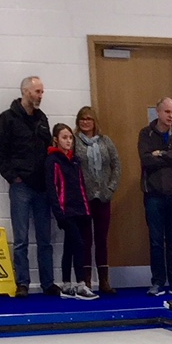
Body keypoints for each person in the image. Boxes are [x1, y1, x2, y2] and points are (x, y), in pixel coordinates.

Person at [0, 76, 55, 297]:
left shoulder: (42, 119)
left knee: (45, 240)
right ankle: (22, 283)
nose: (41, 96)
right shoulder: (7, 118)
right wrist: (13, 177)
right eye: (37, 91)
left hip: (42, 187)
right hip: (20, 186)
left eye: (42, 92)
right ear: (26, 91)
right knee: (21, 240)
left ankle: (48, 283)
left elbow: (49, 148)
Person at [138, 97, 172, 296]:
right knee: (156, 241)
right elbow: (146, 160)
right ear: (158, 112)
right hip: (153, 194)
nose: (170, 116)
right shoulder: (146, 134)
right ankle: (158, 282)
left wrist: (161, 153)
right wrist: (171, 155)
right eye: (167, 112)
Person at [73, 106, 121, 296]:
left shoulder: (105, 141)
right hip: (83, 199)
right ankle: (86, 281)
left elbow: (116, 164)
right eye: (82, 119)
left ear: (95, 122)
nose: (85, 122)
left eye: (89, 119)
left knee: (102, 239)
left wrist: (111, 188)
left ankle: (104, 281)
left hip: (103, 197)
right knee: (85, 240)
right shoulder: (74, 142)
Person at [45, 124, 97, 300]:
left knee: (69, 246)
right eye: (64, 138)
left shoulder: (75, 161)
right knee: (78, 245)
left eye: (70, 138)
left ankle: (66, 284)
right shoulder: (52, 161)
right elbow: (53, 189)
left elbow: (80, 186)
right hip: (65, 212)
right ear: (56, 140)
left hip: (80, 210)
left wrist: (86, 210)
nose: (68, 141)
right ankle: (81, 284)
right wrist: (59, 214)